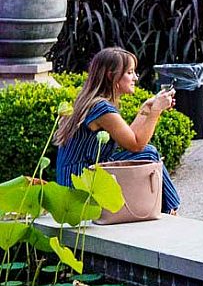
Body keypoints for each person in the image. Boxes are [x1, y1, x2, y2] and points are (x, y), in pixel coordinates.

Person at [54, 47, 181, 213]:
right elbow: (136, 145)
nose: (135, 77)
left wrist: (146, 109)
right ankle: (172, 211)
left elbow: (128, 140)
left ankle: (169, 209)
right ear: (111, 75)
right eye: (130, 72)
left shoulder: (94, 101)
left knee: (148, 153)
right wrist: (156, 111)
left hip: (82, 174)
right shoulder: (101, 108)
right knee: (148, 153)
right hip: (78, 182)